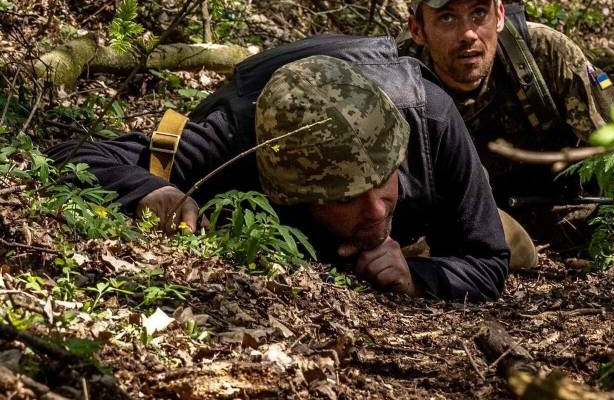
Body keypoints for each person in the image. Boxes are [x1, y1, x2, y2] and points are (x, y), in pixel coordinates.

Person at [47, 36, 509, 302]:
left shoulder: (429, 117)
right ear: (288, 188)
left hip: (425, 217)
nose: (373, 209)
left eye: (381, 182)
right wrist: (151, 190)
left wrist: (416, 275)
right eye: (344, 195)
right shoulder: (237, 138)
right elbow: (73, 154)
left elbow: (488, 260)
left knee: (518, 243)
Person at [398, 0, 614, 245]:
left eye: (479, 14)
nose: (468, 34)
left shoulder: (546, 54)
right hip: (450, 231)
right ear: (417, 29)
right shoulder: (399, 76)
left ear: (500, 15)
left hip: (563, 218)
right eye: (447, 18)